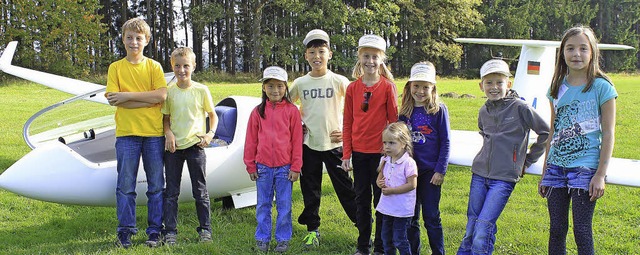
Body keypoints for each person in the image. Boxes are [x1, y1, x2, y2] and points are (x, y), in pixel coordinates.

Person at [457, 59, 549, 255]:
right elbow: (484, 134)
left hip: (503, 178)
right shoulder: (484, 110)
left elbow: (545, 133)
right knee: (471, 225)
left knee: (483, 227)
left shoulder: (520, 108)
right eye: (489, 83)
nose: (494, 87)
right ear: (481, 86)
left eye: (499, 82)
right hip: (479, 174)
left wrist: (529, 159)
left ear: (508, 84)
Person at [538, 26, 617, 255]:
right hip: (556, 168)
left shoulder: (602, 87)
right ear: (562, 52)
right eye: (570, 48)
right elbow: (552, 130)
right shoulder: (556, 87)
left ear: (592, 52)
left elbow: (609, 133)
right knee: (556, 229)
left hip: (585, 169)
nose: (576, 54)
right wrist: (545, 171)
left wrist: (600, 175)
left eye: (583, 48)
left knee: (582, 231)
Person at [289, 29, 358, 248]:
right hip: (309, 145)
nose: (317, 56)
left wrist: (350, 133)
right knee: (310, 189)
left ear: (330, 54)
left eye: (321, 51)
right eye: (312, 52)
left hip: (336, 144)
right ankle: (312, 231)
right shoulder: (300, 83)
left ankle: (363, 229)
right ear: (306, 56)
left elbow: (357, 108)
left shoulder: (339, 81)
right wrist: (299, 127)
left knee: (346, 189)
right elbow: (286, 108)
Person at [105, 17, 167, 248]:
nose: (134, 42)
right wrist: (145, 99)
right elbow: (114, 100)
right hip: (126, 134)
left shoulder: (154, 67)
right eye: (129, 38)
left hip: (153, 134)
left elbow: (161, 96)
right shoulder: (116, 68)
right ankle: (125, 231)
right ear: (123, 40)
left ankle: (154, 231)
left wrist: (127, 96)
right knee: (126, 185)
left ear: (146, 41)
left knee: (155, 186)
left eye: (138, 38)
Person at [342, 34, 399, 255]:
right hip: (359, 153)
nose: (370, 61)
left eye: (375, 57)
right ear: (359, 57)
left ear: (381, 59)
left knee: (381, 200)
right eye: (366, 56)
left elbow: (393, 122)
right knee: (361, 201)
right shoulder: (352, 89)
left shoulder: (387, 87)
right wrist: (347, 153)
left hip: (381, 155)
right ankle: (362, 246)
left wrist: (393, 153)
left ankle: (381, 246)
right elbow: (347, 122)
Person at [243, 66, 303, 253]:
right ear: (263, 87)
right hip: (263, 167)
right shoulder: (257, 112)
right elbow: (251, 140)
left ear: (286, 88)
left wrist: (296, 166)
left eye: (279, 86)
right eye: (270, 86)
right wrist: (250, 165)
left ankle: (283, 238)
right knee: (263, 204)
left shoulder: (292, 111)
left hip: (285, 168)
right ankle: (262, 238)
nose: (275, 91)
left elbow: (297, 141)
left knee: (284, 205)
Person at [161, 47, 217, 245]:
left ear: (193, 66)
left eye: (186, 66)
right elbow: (166, 118)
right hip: (174, 149)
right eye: (177, 66)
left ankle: (205, 230)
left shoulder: (201, 90)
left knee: (200, 191)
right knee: (171, 192)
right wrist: (168, 133)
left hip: (196, 147)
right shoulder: (169, 92)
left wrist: (210, 134)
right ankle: (170, 232)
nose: (182, 70)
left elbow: (213, 115)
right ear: (172, 67)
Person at [399, 62, 450, 255]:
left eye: (425, 87)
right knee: (411, 217)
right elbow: (400, 142)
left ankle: (439, 251)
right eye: (416, 86)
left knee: (431, 217)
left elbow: (445, 142)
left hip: (430, 173)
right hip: (410, 173)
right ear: (409, 86)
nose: (420, 91)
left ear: (433, 88)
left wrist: (440, 170)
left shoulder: (438, 111)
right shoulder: (405, 113)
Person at [375, 122, 418, 255]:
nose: (387, 146)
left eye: (392, 143)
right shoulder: (385, 160)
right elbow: (379, 178)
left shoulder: (408, 163)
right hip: (387, 207)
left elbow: (412, 184)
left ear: (403, 143)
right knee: (386, 238)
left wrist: (392, 190)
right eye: (385, 143)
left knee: (399, 239)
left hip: (401, 209)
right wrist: (380, 183)